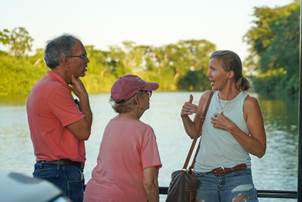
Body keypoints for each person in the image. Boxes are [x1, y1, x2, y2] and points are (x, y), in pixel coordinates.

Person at [181, 50, 266, 202]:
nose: (208, 74)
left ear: (230, 74)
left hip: (238, 177)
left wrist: (231, 127)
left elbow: (260, 150)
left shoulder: (248, 104)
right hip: (203, 178)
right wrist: (184, 117)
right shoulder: (207, 98)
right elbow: (194, 133)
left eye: (213, 69)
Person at [26, 34, 92, 202]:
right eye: (82, 56)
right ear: (65, 60)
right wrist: (83, 97)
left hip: (53, 171)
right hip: (60, 174)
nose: (87, 61)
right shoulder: (55, 90)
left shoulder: (46, 85)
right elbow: (84, 132)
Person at [84, 74, 162, 202]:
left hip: (93, 195)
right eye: (147, 92)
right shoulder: (145, 131)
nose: (149, 95)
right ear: (137, 99)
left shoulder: (111, 124)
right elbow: (150, 183)